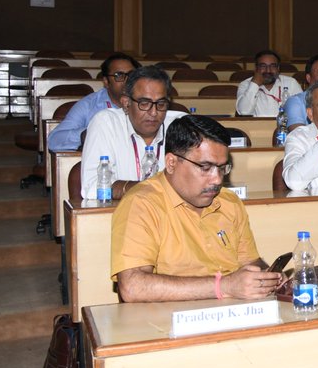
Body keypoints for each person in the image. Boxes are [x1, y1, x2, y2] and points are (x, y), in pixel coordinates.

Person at [110, 115, 281, 303]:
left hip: (232, 312)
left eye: (222, 168)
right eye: (205, 167)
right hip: (168, 321)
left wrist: (268, 277)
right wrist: (223, 286)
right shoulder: (142, 203)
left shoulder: (229, 202)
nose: (217, 179)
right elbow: (133, 287)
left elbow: (249, 262)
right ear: (172, 163)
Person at [80, 66, 186, 200]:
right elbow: (92, 187)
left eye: (160, 104)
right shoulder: (106, 123)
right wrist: (152, 190)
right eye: (144, 103)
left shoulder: (180, 125)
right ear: (126, 103)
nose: (153, 112)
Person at [48, 52, 140, 152]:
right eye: (119, 75)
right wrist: (88, 134)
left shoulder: (147, 103)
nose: (126, 80)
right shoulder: (88, 105)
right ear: (106, 81)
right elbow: (54, 141)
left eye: (131, 75)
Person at [235, 49, 301, 117]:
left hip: (285, 126)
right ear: (256, 68)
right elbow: (244, 112)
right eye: (263, 66)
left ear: (278, 68)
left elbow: (301, 111)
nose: (268, 70)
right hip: (256, 127)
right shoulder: (245, 85)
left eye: (272, 66)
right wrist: (255, 84)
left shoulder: (291, 83)